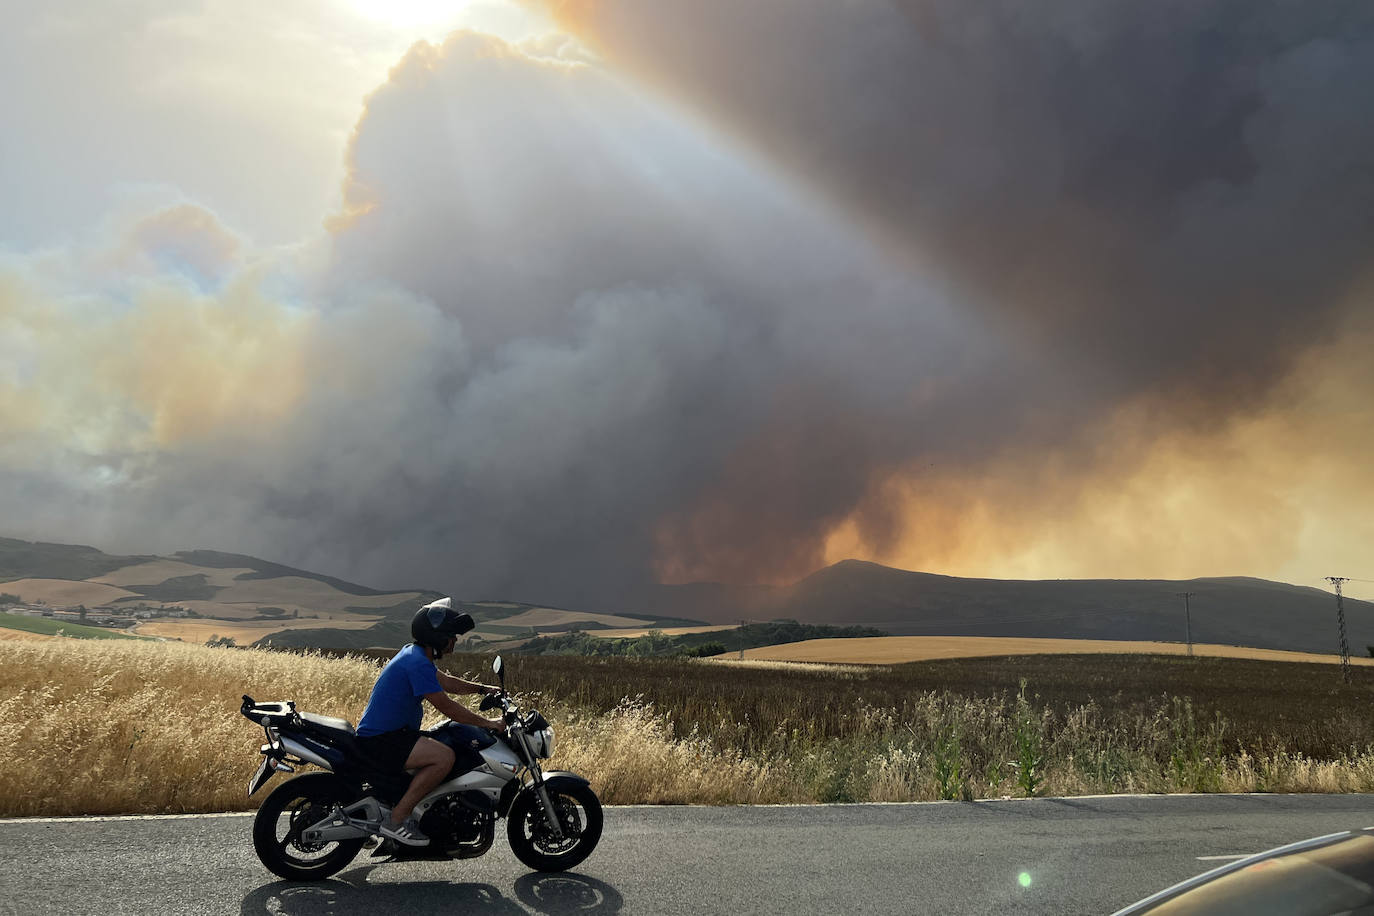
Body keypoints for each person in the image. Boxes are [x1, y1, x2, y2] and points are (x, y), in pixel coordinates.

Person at [354, 597, 505, 847]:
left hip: (390, 734)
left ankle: (408, 808)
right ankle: (397, 819)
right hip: (383, 740)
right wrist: (489, 723)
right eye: (451, 635)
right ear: (436, 637)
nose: (455, 640)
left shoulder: (415, 655)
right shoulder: (416, 662)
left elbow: (445, 681)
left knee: (443, 743)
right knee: (444, 757)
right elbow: (447, 706)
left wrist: (482, 689)